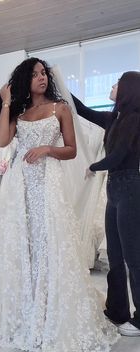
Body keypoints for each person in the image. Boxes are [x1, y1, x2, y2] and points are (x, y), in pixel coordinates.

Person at [0, 57, 118, 352]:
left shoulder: (59, 109)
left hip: (48, 184)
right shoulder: (20, 113)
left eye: (44, 74)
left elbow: (72, 149)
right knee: (23, 243)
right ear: (26, 79)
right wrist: (7, 101)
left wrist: (47, 149)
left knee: (48, 242)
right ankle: (25, 303)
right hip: (20, 185)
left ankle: (50, 306)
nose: (42, 78)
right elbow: (1, 141)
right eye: (35, 74)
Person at [72, 71, 140, 336]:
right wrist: (59, 86)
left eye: (116, 83)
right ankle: (117, 309)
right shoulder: (115, 118)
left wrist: (93, 166)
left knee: (133, 258)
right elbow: (83, 110)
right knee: (114, 255)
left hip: (131, 189)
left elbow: (121, 154)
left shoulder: (135, 120)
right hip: (115, 191)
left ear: (127, 90)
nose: (112, 86)